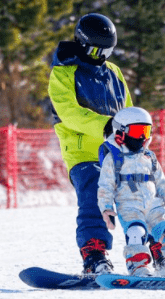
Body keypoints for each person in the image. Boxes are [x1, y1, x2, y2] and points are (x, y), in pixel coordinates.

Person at [48, 13, 133, 274]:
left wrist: (135, 134)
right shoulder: (64, 73)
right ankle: (95, 255)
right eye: (96, 50)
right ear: (82, 44)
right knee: (95, 194)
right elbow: (69, 113)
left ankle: (158, 250)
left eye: (107, 50)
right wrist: (105, 125)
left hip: (116, 151)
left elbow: (128, 109)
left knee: (141, 194)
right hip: (83, 153)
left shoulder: (114, 72)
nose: (101, 56)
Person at [97, 107, 165, 277]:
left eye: (145, 131)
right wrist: (107, 208)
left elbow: (162, 183)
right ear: (121, 132)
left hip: (154, 207)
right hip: (129, 207)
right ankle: (138, 266)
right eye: (138, 131)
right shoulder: (113, 159)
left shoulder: (149, 157)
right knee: (136, 233)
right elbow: (105, 186)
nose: (142, 137)